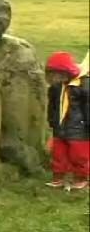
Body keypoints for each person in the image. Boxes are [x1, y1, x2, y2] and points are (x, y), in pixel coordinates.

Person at [45, 51, 89, 190]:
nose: (54, 78)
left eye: (57, 74)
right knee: (58, 153)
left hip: (79, 128)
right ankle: (59, 176)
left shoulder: (83, 85)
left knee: (79, 155)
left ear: (66, 72)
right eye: (52, 74)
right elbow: (52, 105)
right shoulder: (56, 87)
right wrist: (51, 120)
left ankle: (81, 177)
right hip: (60, 126)